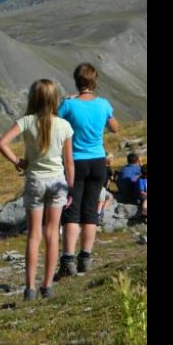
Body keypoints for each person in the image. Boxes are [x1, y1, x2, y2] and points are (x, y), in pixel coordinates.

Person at [0, 79, 74, 300]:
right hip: (57, 181)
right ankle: (47, 285)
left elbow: (2, 143)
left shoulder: (26, 122)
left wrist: (18, 161)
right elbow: (69, 162)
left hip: (34, 181)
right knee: (52, 234)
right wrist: (70, 187)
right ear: (55, 99)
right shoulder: (64, 126)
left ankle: (29, 288)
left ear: (33, 98)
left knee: (34, 235)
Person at [56, 63, 119, 279]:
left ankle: (68, 260)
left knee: (72, 210)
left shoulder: (69, 105)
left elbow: (55, 123)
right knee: (91, 210)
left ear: (76, 81)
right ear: (95, 81)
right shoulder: (103, 104)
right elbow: (115, 127)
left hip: (75, 162)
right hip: (98, 161)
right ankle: (86, 257)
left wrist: (71, 100)